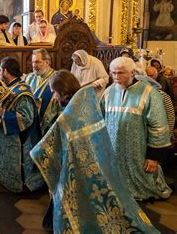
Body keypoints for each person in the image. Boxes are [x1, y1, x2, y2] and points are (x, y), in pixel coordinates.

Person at [31, 70, 158, 233]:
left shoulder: (73, 112)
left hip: (79, 167)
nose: (54, 97)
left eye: (55, 92)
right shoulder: (84, 101)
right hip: (91, 163)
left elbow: (55, 138)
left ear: (62, 91)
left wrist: (35, 152)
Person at [101, 57, 172, 200]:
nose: (115, 77)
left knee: (145, 184)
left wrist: (153, 157)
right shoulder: (108, 92)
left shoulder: (149, 93)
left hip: (138, 152)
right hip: (114, 149)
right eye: (113, 73)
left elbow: (159, 128)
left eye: (120, 73)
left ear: (132, 73)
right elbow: (101, 120)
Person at [0, 57, 43, 192]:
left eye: (0, 70)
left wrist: (2, 112)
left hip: (17, 139)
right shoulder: (9, 87)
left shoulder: (22, 92)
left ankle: (18, 183)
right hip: (4, 134)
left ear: (5, 71)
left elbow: (26, 119)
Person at [25, 49, 59, 135]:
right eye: (32, 62)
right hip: (30, 125)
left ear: (47, 62)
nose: (33, 65)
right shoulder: (29, 77)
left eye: (37, 62)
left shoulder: (58, 78)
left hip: (50, 128)